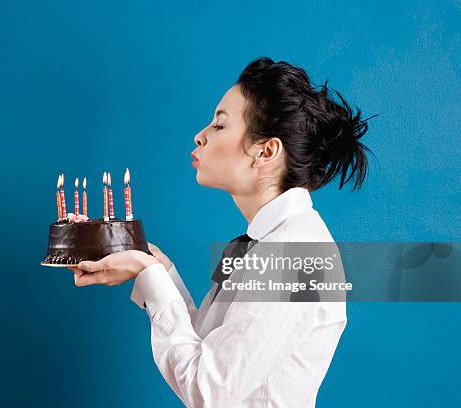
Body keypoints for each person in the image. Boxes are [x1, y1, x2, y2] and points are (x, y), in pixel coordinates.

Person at [70, 56, 375, 407]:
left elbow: (208, 391)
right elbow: (207, 348)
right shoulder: (260, 244)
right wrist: (155, 268)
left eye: (219, 125)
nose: (199, 136)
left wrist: (149, 274)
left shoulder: (294, 255)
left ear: (266, 151)